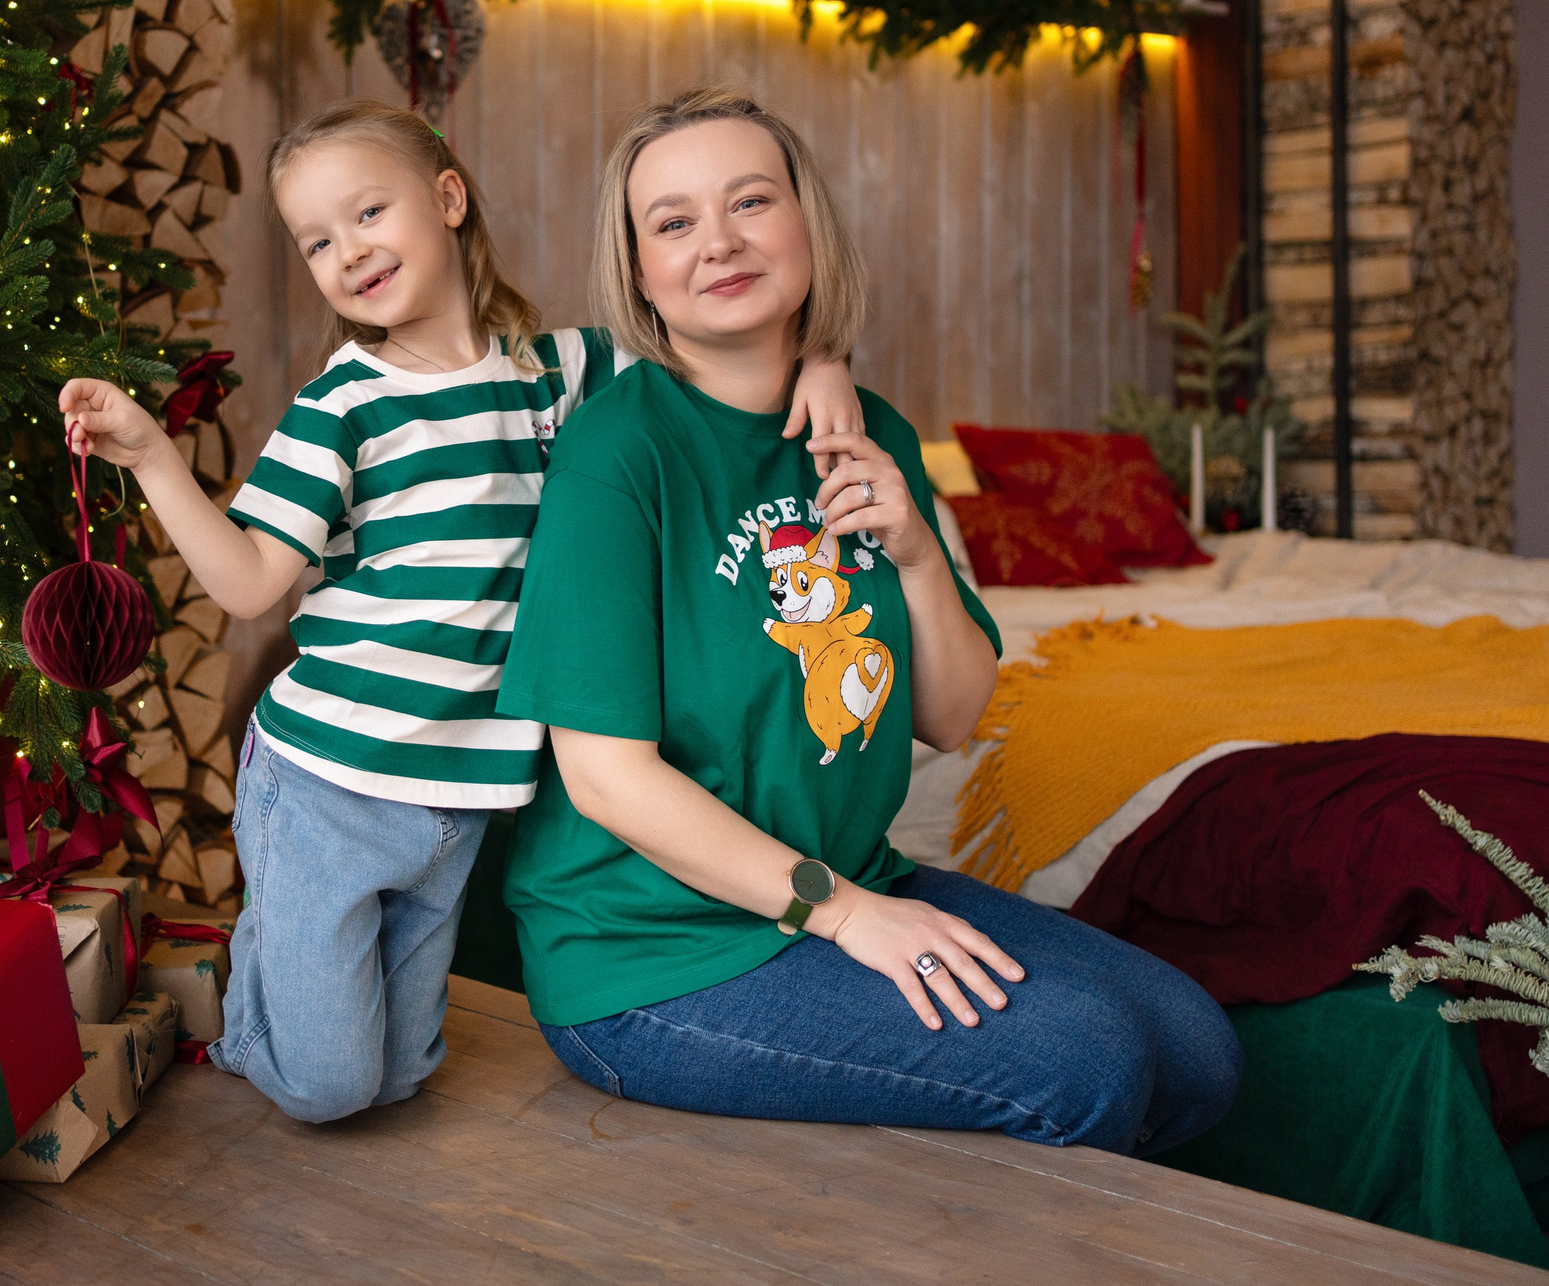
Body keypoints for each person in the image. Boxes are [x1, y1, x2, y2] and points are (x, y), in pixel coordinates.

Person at [58, 98, 863, 1123]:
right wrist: (151, 456)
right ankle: (250, 1007)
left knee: (401, 1075)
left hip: (463, 801)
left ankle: (298, 991)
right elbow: (252, 582)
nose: (346, 252)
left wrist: (825, 358)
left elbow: (717, 349)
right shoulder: (342, 406)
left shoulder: (561, 371)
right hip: (330, 781)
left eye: (367, 215)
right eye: (316, 241)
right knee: (329, 1088)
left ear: (447, 199)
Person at [497, 87, 1242, 1151]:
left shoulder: (867, 430)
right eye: (672, 222)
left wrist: (916, 554)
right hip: (654, 953)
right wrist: (845, 913)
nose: (718, 241)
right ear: (640, 272)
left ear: (806, 223)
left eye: (749, 201)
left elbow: (952, 715)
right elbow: (609, 779)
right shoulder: (620, 456)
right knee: (1088, 1057)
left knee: (1195, 1048)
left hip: (842, 884)